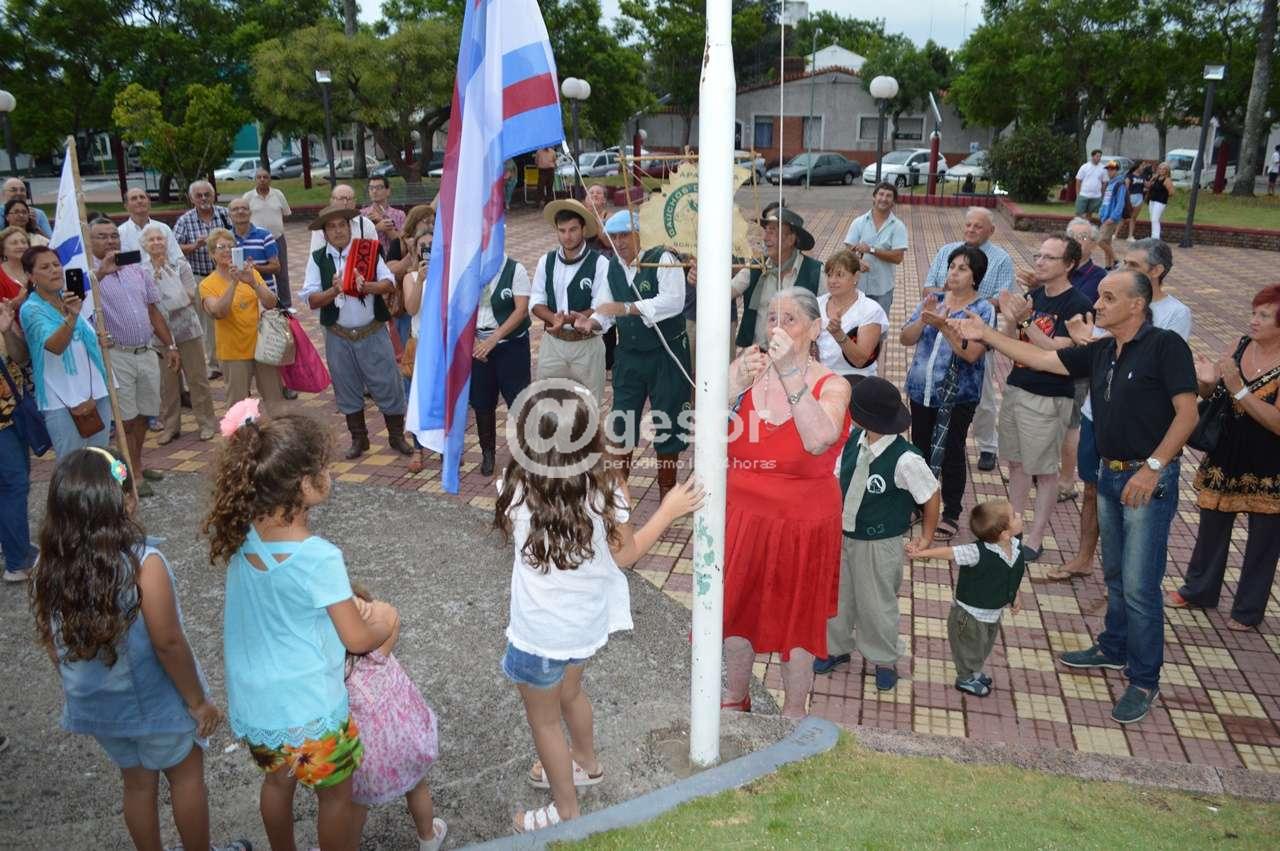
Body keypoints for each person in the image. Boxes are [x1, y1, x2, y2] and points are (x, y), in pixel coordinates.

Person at [952, 269, 1198, 724]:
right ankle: (1113, 647)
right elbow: (1042, 358)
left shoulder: (1165, 346)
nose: (1097, 305)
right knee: (1116, 574)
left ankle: (1144, 679)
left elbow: (1188, 415)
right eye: (1100, 296)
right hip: (1110, 474)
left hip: (1148, 480)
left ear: (1137, 305)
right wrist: (987, 334)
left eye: (1109, 298)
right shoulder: (1104, 349)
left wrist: (1152, 468)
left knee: (1141, 586)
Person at [494, 382, 703, 832]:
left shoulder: (515, 488)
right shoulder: (608, 488)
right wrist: (667, 511)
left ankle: (565, 811)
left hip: (537, 636)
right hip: (585, 627)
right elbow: (627, 555)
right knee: (571, 693)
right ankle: (586, 763)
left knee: (545, 724)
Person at [30, 447, 247, 851]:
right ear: (127, 500)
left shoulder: (48, 564)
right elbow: (168, 643)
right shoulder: (145, 564)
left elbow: (51, 637)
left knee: (136, 784)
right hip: (157, 703)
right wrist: (198, 702)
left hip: (99, 706)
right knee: (186, 777)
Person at [204, 407, 397, 851]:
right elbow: (356, 638)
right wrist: (383, 621)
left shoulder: (243, 536)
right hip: (312, 710)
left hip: (259, 707)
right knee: (335, 797)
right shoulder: (319, 557)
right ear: (304, 485)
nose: (330, 473)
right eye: (323, 467)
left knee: (277, 784)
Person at [721, 288, 853, 713]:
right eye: (771, 318)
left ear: (814, 329)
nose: (776, 328)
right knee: (736, 610)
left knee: (799, 623)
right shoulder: (748, 367)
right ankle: (735, 696)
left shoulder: (833, 384)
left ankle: (794, 713)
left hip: (803, 524)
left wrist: (791, 374)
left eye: (790, 319)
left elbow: (818, 439)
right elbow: (700, 425)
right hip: (741, 516)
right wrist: (730, 385)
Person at [1049, 238, 1191, 581]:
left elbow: (1173, 391)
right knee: (1093, 489)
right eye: (1124, 263)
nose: (1123, 268)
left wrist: (1154, 466)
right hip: (1098, 416)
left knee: (1139, 563)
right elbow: (1090, 352)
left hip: (1141, 441)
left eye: (1133, 265)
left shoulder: (1172, 320)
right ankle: (1086, 558)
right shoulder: (1110, 305)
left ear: (1156, 272)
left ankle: (1128, 582)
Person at [1169, 285, 1280, 631]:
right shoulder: (1239, 346)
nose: (1254, 320)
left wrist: (1240, 390)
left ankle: (1247, 611)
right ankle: (1199, 590)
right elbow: (1214, 393)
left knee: (1264, 541)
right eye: (1254, 313)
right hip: (1226, 454)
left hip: (1269, 464)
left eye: (1264, 316)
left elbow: (1277, 422)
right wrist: (1205, 383)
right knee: (1212, 526)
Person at [818, 376, 939, 690]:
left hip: (879, 542)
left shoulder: (906, 458)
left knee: (876, 603)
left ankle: (884, 658)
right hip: (843, 535)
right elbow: (837, 479)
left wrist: (926, 536)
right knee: (838, 596)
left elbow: (930, 495)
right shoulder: (853, 442)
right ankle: (836, 647)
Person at [992, 234, 1093, 560]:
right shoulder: (1033, 296)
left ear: (1069, 264)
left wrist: (1025, 320)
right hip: (1017, 387)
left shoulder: (1077, 305)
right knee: (1017, 464)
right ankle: (1014, 528)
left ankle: (1035, 538)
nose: (1040, 261)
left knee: (1045, 471)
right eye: (1039, 255)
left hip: (1050, 397)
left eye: (1050, 257)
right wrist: (1010, 319)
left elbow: (1058, 352)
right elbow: (1010, 343)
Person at [302, 205, 413, 459]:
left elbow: (389, 283)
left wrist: (367, 286)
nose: (338, 231)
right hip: (338, 334)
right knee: (346, 386)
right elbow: (311, 299)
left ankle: (397, 436)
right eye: (332, 227)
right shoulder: (318, 258)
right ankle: (358, 439)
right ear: (324, 233)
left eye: (342, 225)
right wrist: (334, 291)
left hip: (372, 331)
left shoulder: (368, 251)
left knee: (388, 383)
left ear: (350, 227)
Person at [901, 244, 994, 541]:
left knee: (952, 452)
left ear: (975, 276)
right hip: (922, 390)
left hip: (957, 396)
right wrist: (923, 318)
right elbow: (905, 338)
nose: (954, 273)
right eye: (952, 266)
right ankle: (918, 504)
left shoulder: (982, 310)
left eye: (962, 269)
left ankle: (951, 512)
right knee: (920, 450)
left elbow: (972, 354)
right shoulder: (934, 300)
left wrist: (943, 326)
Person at [346, 584, 447, 851]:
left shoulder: (335, 669)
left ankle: (347, 846)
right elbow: (391, 618)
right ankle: (428, 839)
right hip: (405, 741)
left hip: (364, 756)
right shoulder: (378, 652)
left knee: (355, 805)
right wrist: (368, 610)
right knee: (417, 787)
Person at [599, 209, 690, 498]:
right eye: (614, 237)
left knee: (668, 421)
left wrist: (629, 308)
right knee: (622, 420)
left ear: (639, 233)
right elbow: (606, 306)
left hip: (666, 353)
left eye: (625, 235)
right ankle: (618, 494)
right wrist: (591, 323)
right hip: (629, 354)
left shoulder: (662, 258)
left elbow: (674, 301)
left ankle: (667, 492)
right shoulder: (612, 266)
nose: (619, 242)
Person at [89, 218, 181, 496]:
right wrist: (100, 274)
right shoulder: (88, 274)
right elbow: (80, 307)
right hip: (117, 356)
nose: (110, 241)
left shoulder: (136, 270)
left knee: (144, 416)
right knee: (125, 421)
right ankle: (127, 475)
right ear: (90, 242)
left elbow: (153, 311)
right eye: (102, 236)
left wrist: (171, 345)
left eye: (113, 236)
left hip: (146, 352)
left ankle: (137, 465)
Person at [921, 207, 1014, 472]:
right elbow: (929, 287)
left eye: (978, 226)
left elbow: (1002, 299)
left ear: (991, 231)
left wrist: (969, 300)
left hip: (979, 334)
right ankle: (936, 442)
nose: (971, 230)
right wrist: (949, 294)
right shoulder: (946, 251)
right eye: (968, 225)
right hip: (940, 332)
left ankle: (987, 446)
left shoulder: (1001, 259)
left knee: (983, 395)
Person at [906, 498, 1027, 697]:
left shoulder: (1015, 545)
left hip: (992, 612)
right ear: (1004, 533)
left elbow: (1012, 574)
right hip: (969, 615)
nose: (1020, 516)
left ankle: (973, 671)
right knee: (968, 648)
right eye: (1014, 516)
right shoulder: (977, 552)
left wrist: (1015, 595)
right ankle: (965, 678)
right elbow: (950, 553)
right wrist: (922, 553)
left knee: (983, 645)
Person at [18, 246, 112, 456]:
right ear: (31, 276)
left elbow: (83, 340)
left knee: (99, 458)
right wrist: (72, 316)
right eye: (45, 267)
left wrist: (101, 340)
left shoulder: (69, 298)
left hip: (95, 391)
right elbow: (55, 346)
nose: (54, 270)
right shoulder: (31, 309)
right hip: (61, 398)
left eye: (56, 264)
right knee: (71, 464)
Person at [528, 199, 616, 405]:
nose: (567, 236)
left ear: (583, 229)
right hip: (553, 344)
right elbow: (537, 300)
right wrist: (553, 318)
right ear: (556, 231)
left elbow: (602, 305)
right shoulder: (546, 261)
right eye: (562, 230)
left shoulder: (600, 263)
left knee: (587, 409)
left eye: (573, 230)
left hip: (587, 344)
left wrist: (572, 319)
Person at [198, 228, 286, 417]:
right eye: (221, 247)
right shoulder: (207, 284)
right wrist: (234, 283)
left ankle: (279, 432)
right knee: (238, 407)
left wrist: (253, 282)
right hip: (233, 352)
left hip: (261, 347)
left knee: (274, 399)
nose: (227, 250)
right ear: (212, 253)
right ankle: (243, 435)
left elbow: (271, 303)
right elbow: (219, 312)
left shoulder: (251, 274)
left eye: (231, 246)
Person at [141, 223, 217, 444]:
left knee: (197, 378)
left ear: (167, 242)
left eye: (160, 238)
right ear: (144, 245)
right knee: (168, 383)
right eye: (151, 240)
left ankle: (206, 423)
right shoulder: (142, 272)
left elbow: (191, 295)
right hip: (160, 333)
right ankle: (171, 426)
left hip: (187, 328)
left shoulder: (180, 265)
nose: (156, 243)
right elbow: (146, 302)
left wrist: (170, 287)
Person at [470, 251, 531, 477]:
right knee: (482, 401)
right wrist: (472, 341)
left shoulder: (515, 269)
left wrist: (494, 339)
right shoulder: (469, 269)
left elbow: (521, 310)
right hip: (478, 344)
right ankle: (488, 453)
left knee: (518, 400)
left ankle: (524, 455)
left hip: (510, 345)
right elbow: (458, 307)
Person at [732, 206, 827, 350]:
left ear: (790, 239)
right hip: (759, 356)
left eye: (772, 231)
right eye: (766, 231)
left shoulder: (815, 272)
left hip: (796, 356)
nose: (765, 238)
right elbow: (725, 293)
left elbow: (829, 313)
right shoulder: (756, 267)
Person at [174, 180, 232, 379]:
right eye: (199, 195)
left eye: (207, 194)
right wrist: (194, 246)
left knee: (232, 315)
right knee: (208, 322)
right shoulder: (185, 220)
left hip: (227, 275)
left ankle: (233, 357)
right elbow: (174, 247)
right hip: (201, 277)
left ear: (214, 195)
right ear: (192, 199)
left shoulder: (225, 214)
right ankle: (215, 363)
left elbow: (238, 238)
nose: (204, 198)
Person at [0, 298, 36, 583]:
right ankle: (17, 561)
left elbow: (21, 357)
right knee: (15, 484)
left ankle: (15, 547)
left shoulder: (2, 310)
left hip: (13, 413)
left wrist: (7, 330)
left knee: (13, 484)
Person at [816, 248, 885, 384]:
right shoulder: (816, 304)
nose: (832, 280)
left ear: (856, 277)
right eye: (829, 275)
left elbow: (860, 360)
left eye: (839, 275)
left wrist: (839, 334)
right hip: (820, 378)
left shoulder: (870, 310)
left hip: (856, 381)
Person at [843, 182, 907, 315]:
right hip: (857, 288)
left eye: (888, 196)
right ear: (874, 197)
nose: (884, 199)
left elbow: (898, 258)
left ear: (893, 201)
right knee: (854, 325)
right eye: (881, 194)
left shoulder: (898, 227)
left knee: (879, 326)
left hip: (882, 290)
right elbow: (848, 250)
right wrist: (857, 262)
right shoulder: (859, 222)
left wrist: (871, 250)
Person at [243, 168, 294, 308]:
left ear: (270, 179)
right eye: (259, 177)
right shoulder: (248, 197)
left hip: (277, 239)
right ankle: (263, 303)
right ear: (255, 179)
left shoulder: (278, 194)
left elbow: (286, 213)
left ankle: (286, 305)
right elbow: (242, 215)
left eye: (265, 177)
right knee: (258, 272)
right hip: (257, 242)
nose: (262, 180)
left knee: (282, 273)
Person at [228, 197, 280, 298]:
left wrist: (255, 268)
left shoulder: (265, 235)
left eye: (244, 208)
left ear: (250, 213)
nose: (240, 211)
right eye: (235, 209)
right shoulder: (226, 238)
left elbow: (276, 267)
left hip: (264, 293)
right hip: (237, 296)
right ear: (229, 214)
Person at [118, 188, 183, 265]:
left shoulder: (163, 228)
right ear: (126, 206)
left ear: (149, 203)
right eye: (134, 198)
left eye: (142, 197)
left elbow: (177, 258)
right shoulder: (120, 233)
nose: (139, 201)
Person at [309, 183, 379, 254]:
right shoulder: (321, 226)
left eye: (349, 199)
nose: (345, 203)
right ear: (331, 201)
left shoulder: (365, 224)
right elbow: (315, 255)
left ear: (354, 202)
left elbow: (374, 253)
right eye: (341, 199)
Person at [362, 176, 406, 256]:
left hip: (394, 258)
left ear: (388, 191)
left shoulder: (399, 215)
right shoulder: (362, 214)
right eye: (371, 188)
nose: (374, 191)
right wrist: (376, 228)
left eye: (379, 188)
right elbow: (358, 239)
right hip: (370, 257)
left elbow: (403, 243)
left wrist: (382, 221)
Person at [1095, 161, 1128, 269]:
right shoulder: (1110, 183)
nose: (1109, 171)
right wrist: (1101, 212)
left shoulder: (1120, 184)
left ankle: (1116, 260)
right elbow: (1105, 201)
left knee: (1099, 240)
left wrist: (1113, 217)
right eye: (1108, 169)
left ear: (1117, 170)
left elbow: (1120, 203)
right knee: (1107, 242)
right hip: (1105, 216)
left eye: (1112, 169)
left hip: (1111, 218)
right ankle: (1108, 265)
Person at [1119, 161, 1150, 241]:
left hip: (1139, 197)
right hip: (1130, 197)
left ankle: (1130, 236)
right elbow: (1126, 188)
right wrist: (1127, 199)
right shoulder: (1129, 176)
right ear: (1137, 166)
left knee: (1133, 218)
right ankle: (1115, 234)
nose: (1143, 167)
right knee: (1124, 217)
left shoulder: (1143, 176)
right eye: (1142, 165)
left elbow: (1147, 185)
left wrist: (1153, 178)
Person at [0, 226, 31, 303]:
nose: (21, 246)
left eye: (24, 242)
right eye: (14, 243)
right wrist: (15, 303)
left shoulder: (38, 268)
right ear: (3, 249)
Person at [1074, 149, 1107, 219]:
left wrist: (1102, 194)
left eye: (1100, 156)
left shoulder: (1103, 168)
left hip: (1096, 195)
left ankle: (1087, 225)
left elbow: (1104, 182)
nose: (1099, 158)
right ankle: (1078, 225)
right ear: (1092, 156)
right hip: (1083, 194)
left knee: (1089, 214)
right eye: (1097, 156)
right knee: (1079, 213)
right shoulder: (1085, 167)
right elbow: (1078, 180)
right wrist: (1078, 194)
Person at [1147, 162, 1174, 240]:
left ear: (1167, 171)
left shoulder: (1167, 180)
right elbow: (1149, 185)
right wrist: (1152, 179)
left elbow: (1172, 192)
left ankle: (1156, 237)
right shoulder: (1156, 177)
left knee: (1155, 219)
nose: (1161, 170)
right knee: (1152, 219)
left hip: (1160, 201)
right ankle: (1154, 235)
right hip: (1152, 200)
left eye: (1164, 169)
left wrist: (1164, 195)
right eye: (1160, 169)